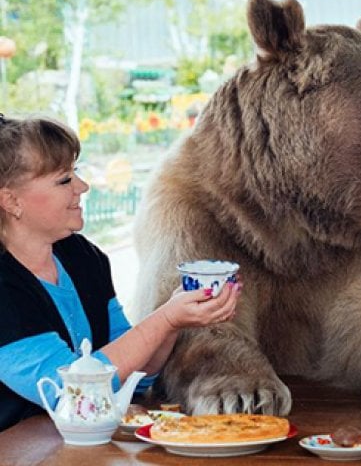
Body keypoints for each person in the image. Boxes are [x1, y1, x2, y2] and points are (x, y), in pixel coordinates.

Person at [0, 114, 242, 430]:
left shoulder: (82, 256)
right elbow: (73, 395)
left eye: (76, 172)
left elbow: (134, 378)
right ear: (10, 200)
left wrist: (175, 321)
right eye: (64, 180)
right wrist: (165, 318)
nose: (82, 187)